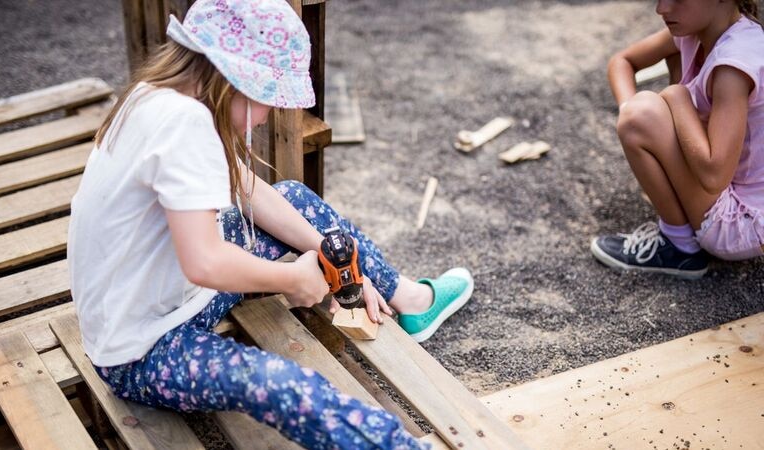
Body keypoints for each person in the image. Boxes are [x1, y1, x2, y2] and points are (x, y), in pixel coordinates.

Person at [67, 0, 473, 448]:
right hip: (141, 352)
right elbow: (203, 261)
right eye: (267, 98)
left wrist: (329, 257)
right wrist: (292, 279)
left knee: (293, 200)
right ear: (232, 80)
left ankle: (407, 300)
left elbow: (249, 191)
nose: (265, 115)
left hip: (156, 303)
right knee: (280, 385)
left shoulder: (160, 96)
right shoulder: (185, 124)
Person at [592, 0, 764, 279]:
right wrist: (630, 115)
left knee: (644, 113)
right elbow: (622, 61)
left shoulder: (733, 65)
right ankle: (682, 225)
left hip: (744, 223)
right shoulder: (695, 31)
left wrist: (675, 97)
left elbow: (714, 176)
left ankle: (679, 247)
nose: (662, 8)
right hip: (733, 193)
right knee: (640, 114)